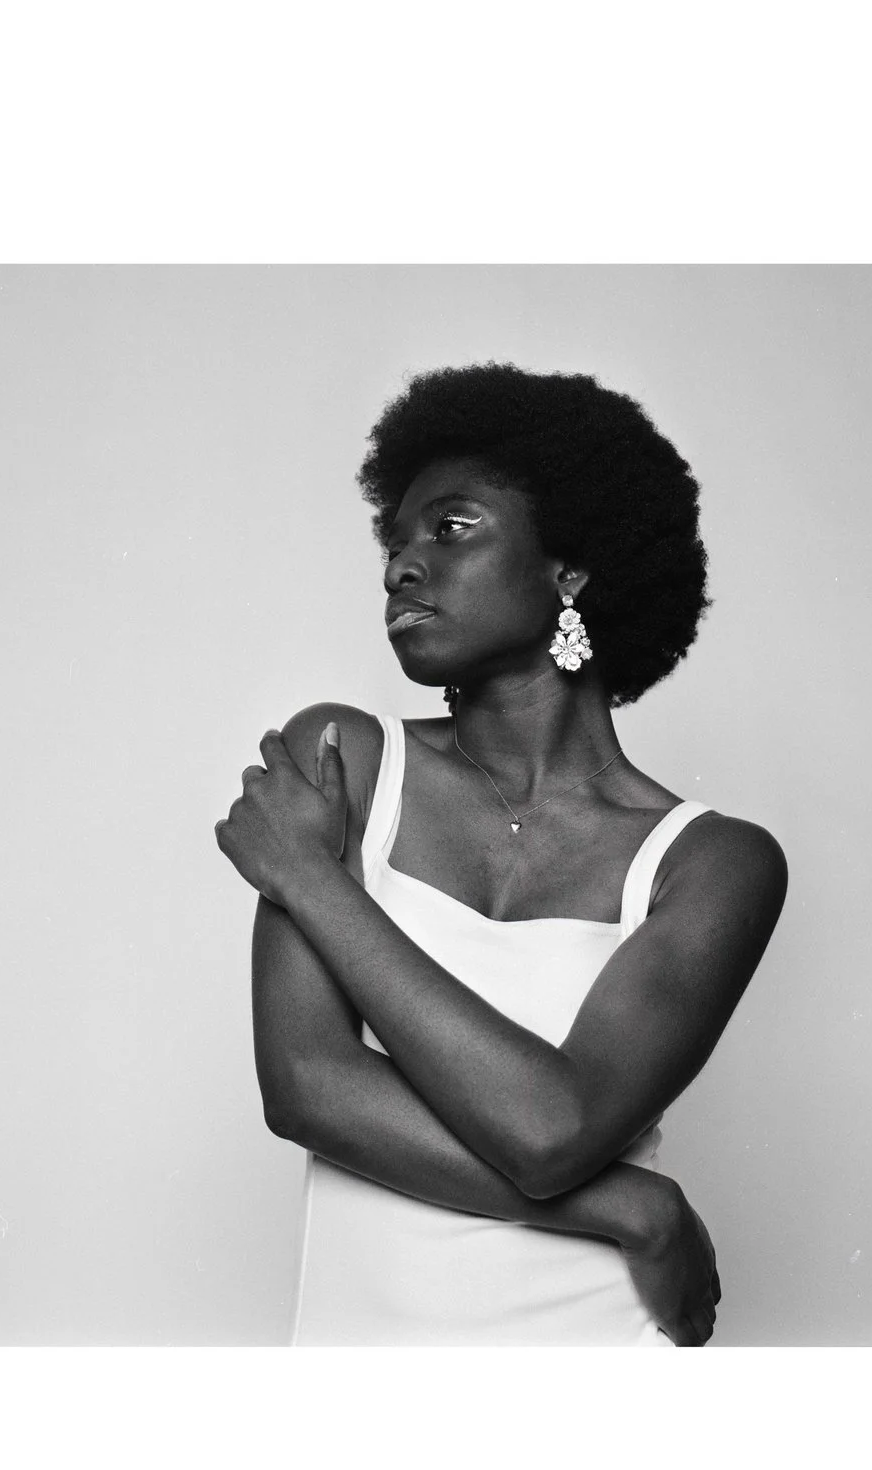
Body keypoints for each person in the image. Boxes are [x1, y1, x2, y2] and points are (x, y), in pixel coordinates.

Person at [214, 363, 786, 1345]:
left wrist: (310, 877)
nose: (401, 564)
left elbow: (555, 1129)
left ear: (568, 570)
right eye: (394, 541)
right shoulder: (344, 756)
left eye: (452, 527)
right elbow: (306, 1087)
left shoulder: (709, 865)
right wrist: (629, 1209)